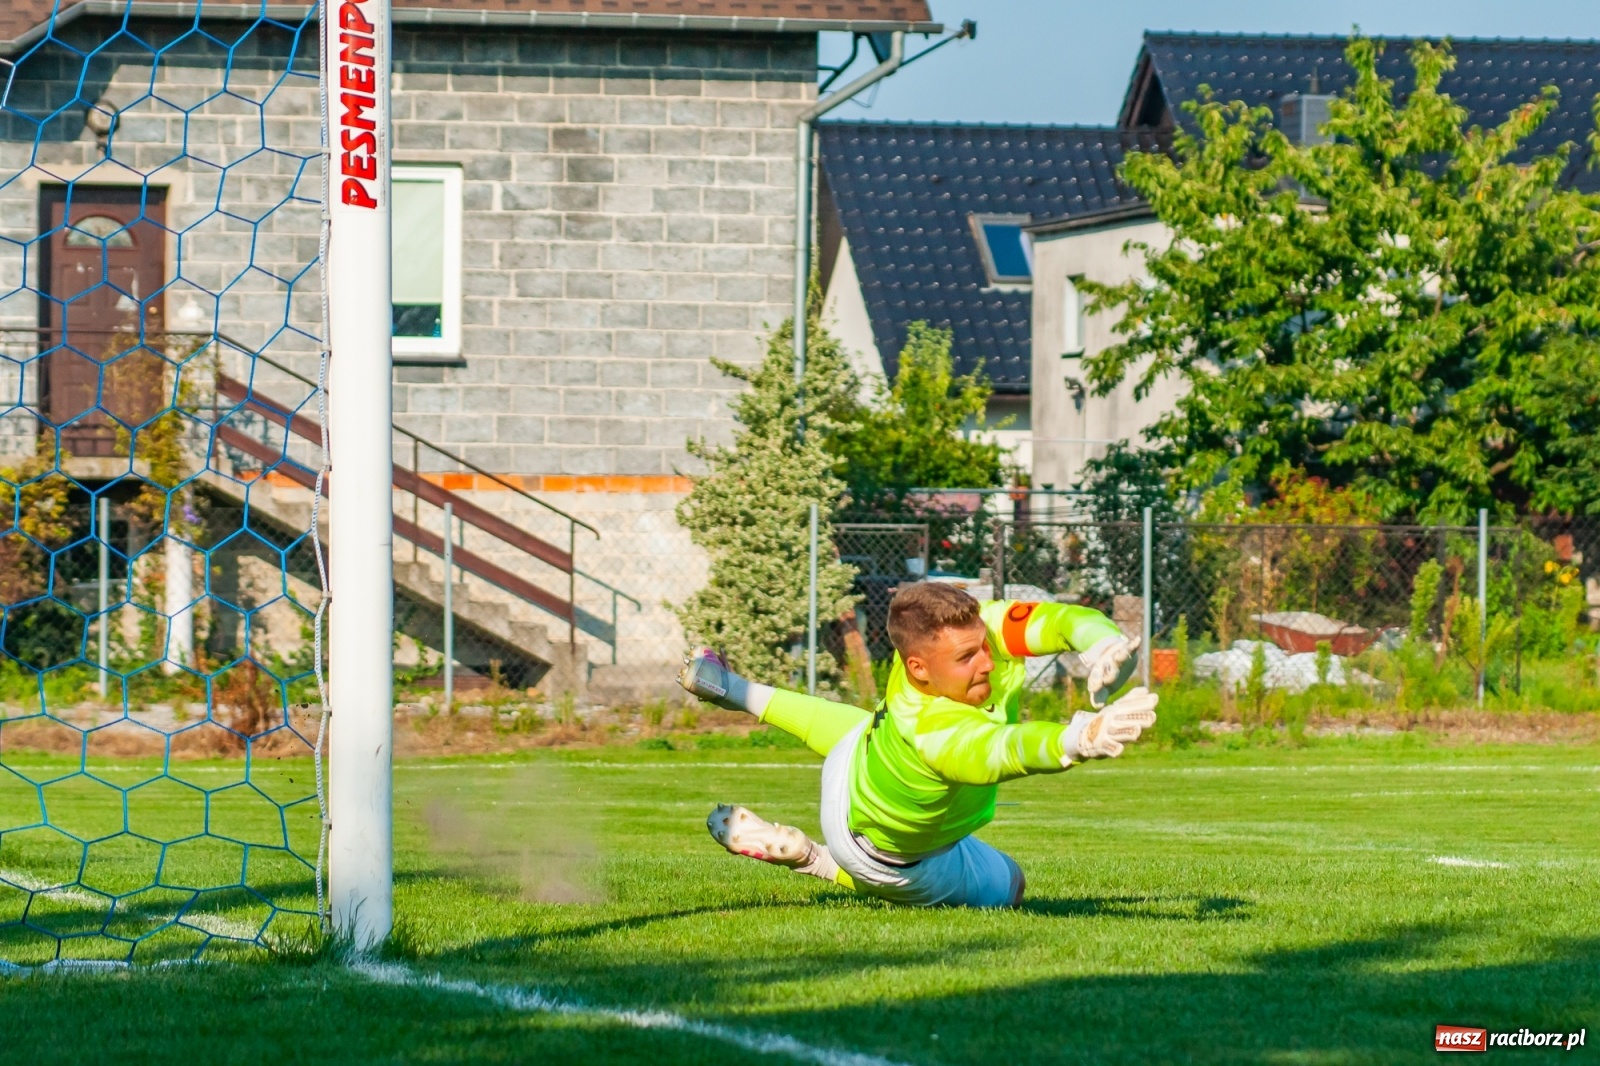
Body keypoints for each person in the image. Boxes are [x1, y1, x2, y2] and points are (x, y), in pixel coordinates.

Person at [677, 581, 1159, 908]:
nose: (986, 662)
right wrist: (1077, 739)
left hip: (856, 760)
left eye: (983, 647)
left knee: (859, 729)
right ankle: (810, 858)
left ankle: (730, 687)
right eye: (967, 657)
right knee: (1012, 885)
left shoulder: (951, 641)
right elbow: (1004, 750)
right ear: (920, 670)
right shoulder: (932, 730)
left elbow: (1059, 620)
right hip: (879, 858)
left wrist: (1100, 642)